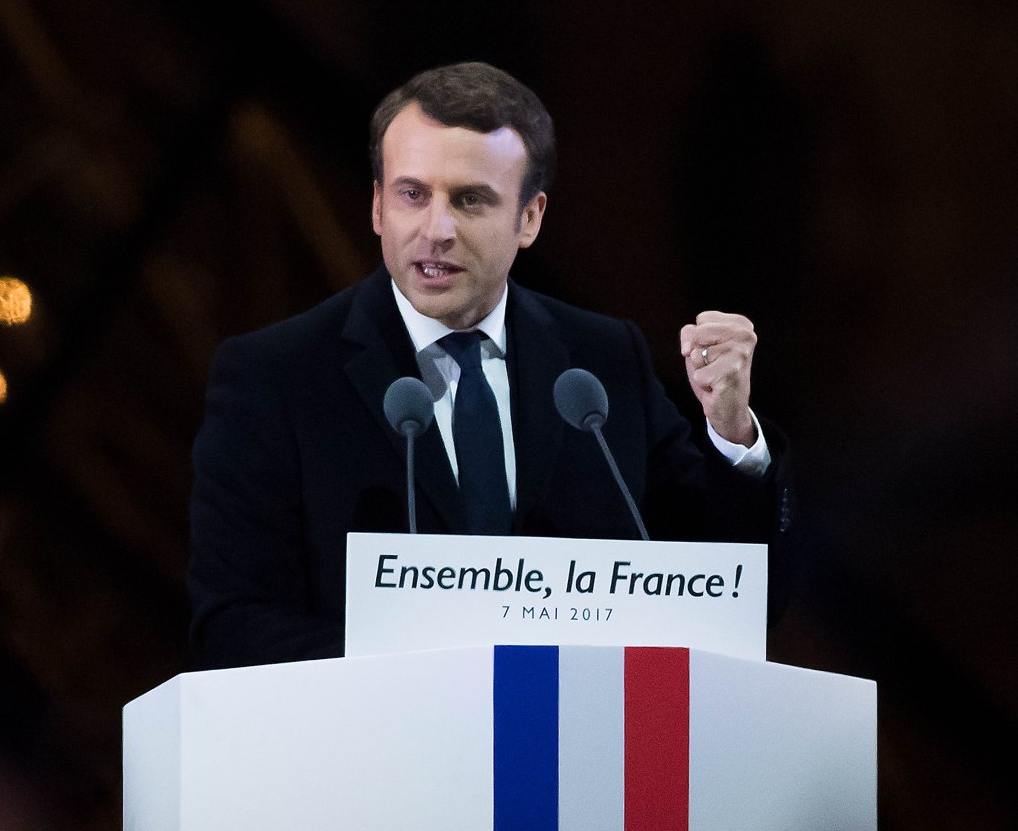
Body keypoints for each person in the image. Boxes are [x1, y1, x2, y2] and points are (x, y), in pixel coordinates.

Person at [188, 62, 792, 670]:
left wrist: (733, 433)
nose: (437, 230)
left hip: (575, 725)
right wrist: (433, 676)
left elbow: (735, 605)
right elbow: (233, 626)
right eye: (412, 194)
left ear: (529, 218)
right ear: (376, 206)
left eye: (470, 199)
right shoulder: (276, 377)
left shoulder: (604, 364)